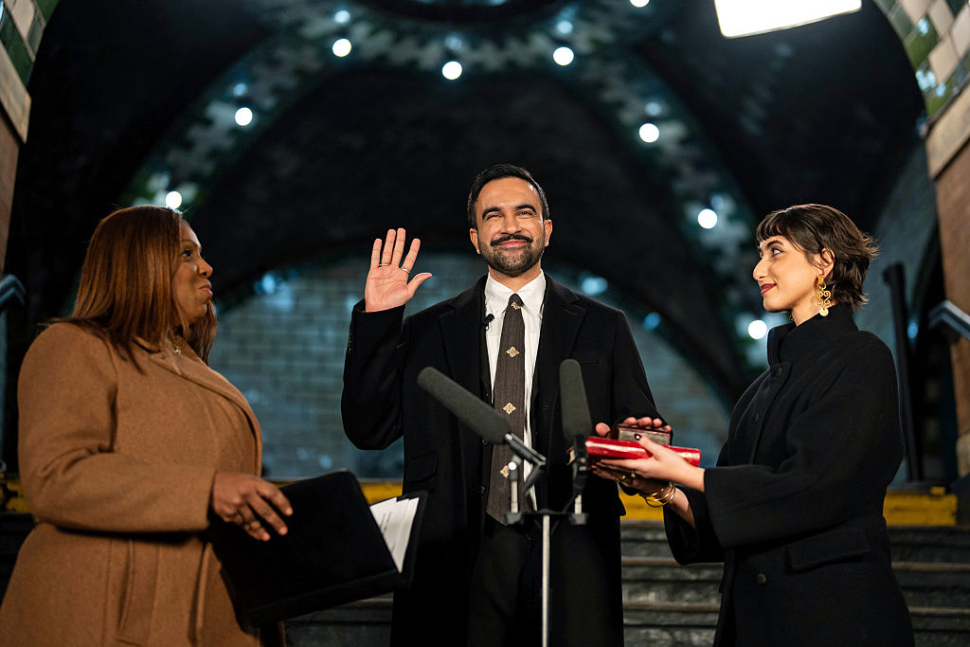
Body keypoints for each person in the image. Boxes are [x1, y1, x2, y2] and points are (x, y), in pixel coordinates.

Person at [341, 164, 666, 646]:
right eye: (493, 216)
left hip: (569, 544)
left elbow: (641, 433)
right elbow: (368, 429)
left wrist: (633, 445)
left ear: (547, 230)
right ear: (476, 239)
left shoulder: (604, 326)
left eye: (524, 213)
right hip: (454, 552)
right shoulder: (427, 331)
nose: (510, 225)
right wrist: (379, 320)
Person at [591, 204, 915, 646]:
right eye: (760, 254)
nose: (758, 269)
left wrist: (684, 472)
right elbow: (734, 517)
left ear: (824, 261)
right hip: (753, 622)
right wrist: (664, 488)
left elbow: (815, 485)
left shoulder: (862, 357)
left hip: (834, 619)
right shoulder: (758, 390)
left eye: (775, 251)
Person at [0, 206, 293, 645]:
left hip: (215, 620)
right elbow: (57, 476)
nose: (206, 267)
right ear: (139, 262)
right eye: (186, 253)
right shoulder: (74, 346)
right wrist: (208, 491)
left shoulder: (199, 375)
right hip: (102, 618)